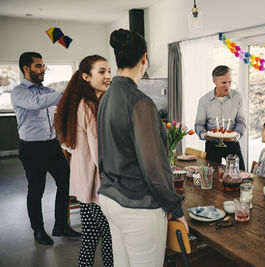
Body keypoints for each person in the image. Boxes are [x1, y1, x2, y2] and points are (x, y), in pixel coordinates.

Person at [97, 28, 188, 267]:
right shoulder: (140, 102)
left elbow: (103, 152)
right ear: (144, 58)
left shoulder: (106, 97)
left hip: (110, 198)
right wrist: (175, 207)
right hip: (137, 206)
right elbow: (154, 168)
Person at [10, 52, 80, 246]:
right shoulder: (19, 92)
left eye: (43, 66)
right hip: (32, 149)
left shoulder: (47, 90)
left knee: (65, 182)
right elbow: (37, 104)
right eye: (39, 66)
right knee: (36, 190)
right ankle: (38, 230)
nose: (43, 70)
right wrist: (69, 90)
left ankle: (61, 225)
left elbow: (60, 106)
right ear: (26, 68)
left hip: (52, 145)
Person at [53, 55, 113, 266]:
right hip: (96, 183)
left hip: (84, 182)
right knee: (109, 238)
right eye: (102, 72)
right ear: (86, 77)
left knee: (89, 238)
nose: (108, 76)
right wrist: (114, 177)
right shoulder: (89, 105)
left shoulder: (84, 102)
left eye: (109, 71)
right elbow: (99, 151)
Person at [195, 65, 246, 170]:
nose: (227, 86)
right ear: (214, 81)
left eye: (229, 82)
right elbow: (199, 124)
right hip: (212, 145)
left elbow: (241, 122)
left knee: (240, 175)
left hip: (232, 144)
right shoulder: (204, 101)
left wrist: (236, 135)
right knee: (212, 177)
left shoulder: (238, 97)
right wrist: (205, 135)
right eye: (224, 82)